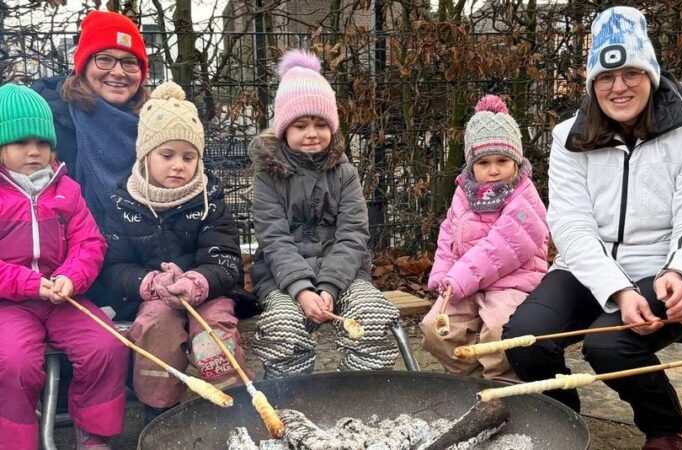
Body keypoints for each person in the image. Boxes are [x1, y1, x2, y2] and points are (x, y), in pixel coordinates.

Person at [502, 6, 682, 449]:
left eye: (630, 73)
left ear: (652, 74)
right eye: (605, 77)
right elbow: (570, 224)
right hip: (585, 267)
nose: (618, 87)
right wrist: (617, 291)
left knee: (609, 348)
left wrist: (681, 272)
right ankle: (562, 421)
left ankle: (665, 427)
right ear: (592, 83)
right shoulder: (569, 136)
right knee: (525, 339)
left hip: (660, 269)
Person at [99, 81, 249, 423]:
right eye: (167, 155)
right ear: (145, 156)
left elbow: (225, 261)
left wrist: (197, 282)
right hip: (152, 297)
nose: (178, 165)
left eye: (188, 156)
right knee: (156, 327)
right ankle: (159, 410)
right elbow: (113, 265)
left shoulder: (210, 201)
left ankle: (235, 403)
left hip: (208, 292)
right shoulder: (123, 203)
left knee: (215, 332)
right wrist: (148, 283)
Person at [249, 49, 400, 378]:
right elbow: (273, 239)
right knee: (283, 327)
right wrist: (302, 290)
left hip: (344, 276)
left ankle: (361, 394)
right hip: (283, 280)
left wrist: (330, 287)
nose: (312, 133)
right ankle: (291, 398)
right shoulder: (268, 175)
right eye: (300, 125)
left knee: (371, 315)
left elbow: (353, 234)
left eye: (320, 124)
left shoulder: (345, 173)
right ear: (284, 128)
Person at [0, 84, 127, 450]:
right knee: (13, 362)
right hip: (11, 303)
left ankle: (93, 434)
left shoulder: (66, 190)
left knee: (106, 344)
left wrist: (71, 276)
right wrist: (28, 282)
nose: (34, 150)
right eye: (21, 142)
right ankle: (16, 441)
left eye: (42, 142)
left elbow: (89, 243)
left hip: (62, 299)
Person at [419, 95, 549, 380]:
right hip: (465, 284)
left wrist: (458, 278)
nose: (493, 170)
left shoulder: (524, 196)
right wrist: (442, 274)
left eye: (502, 160)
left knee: (499, 329)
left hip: (511, 283)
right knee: (436, 329)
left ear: (516, 161)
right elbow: (448, 235)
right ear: (471, 165)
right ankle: (472, 377)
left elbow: (501, 247)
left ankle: (502, 382)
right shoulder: (464, 192)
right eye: (484, 162)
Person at [32, 10, 149, 225]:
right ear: (84, 65)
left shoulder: (158, 124)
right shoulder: (48, 124)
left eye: (130, 62)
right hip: (67, 252)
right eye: (104, 59)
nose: (118, 72)